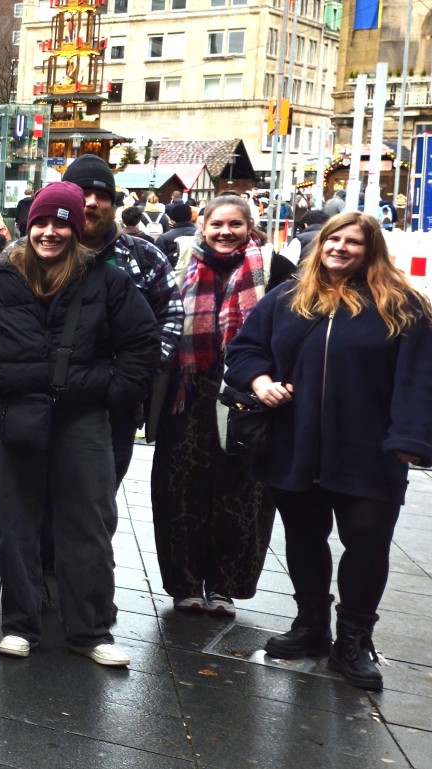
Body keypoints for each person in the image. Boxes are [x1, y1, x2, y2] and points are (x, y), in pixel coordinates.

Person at [225, 212, 432, 691]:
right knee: (304, 538)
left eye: (353, 242)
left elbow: (422, 379)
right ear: (320, 243)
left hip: (369, 450)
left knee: (367, 542)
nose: (340, 248)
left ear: (372, 251)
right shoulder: (288, 297)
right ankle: (310, 626)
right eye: (333, 239)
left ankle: (353, 640)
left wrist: (411, 440)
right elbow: (244, 350)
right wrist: (260, 382)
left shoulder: (402, 305)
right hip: (294, 442)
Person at [0, 181, 158, 665]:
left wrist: (112, 392)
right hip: (14, 412)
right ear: (28, 226)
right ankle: (21, 624)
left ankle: (90, 630)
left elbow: (141, 343)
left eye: (60, 223)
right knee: (16, 522)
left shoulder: (106, 281)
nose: (49, 232)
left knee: (88, 523)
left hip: (81, 416)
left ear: (76, 229)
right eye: (41, 222)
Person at [153, 196, 278, 619]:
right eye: (217, 224)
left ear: (249, 227)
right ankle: (185, 584)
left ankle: (224, 585)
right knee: (179, 492)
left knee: (240, 495)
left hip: (247, 398)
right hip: (187, 396)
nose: (226, 232)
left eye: (235, 225)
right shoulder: (179, 266)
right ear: (202, 226)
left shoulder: (273, 269)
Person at [60, 153, 182, 484]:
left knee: (99, 502)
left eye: (102, 196)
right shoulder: (35, 252)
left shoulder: (144, 256)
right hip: (43, 403)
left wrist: (131, 380)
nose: (91, 202)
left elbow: (171, 317)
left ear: (113, 205)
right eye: (82, 193)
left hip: (114, 410)